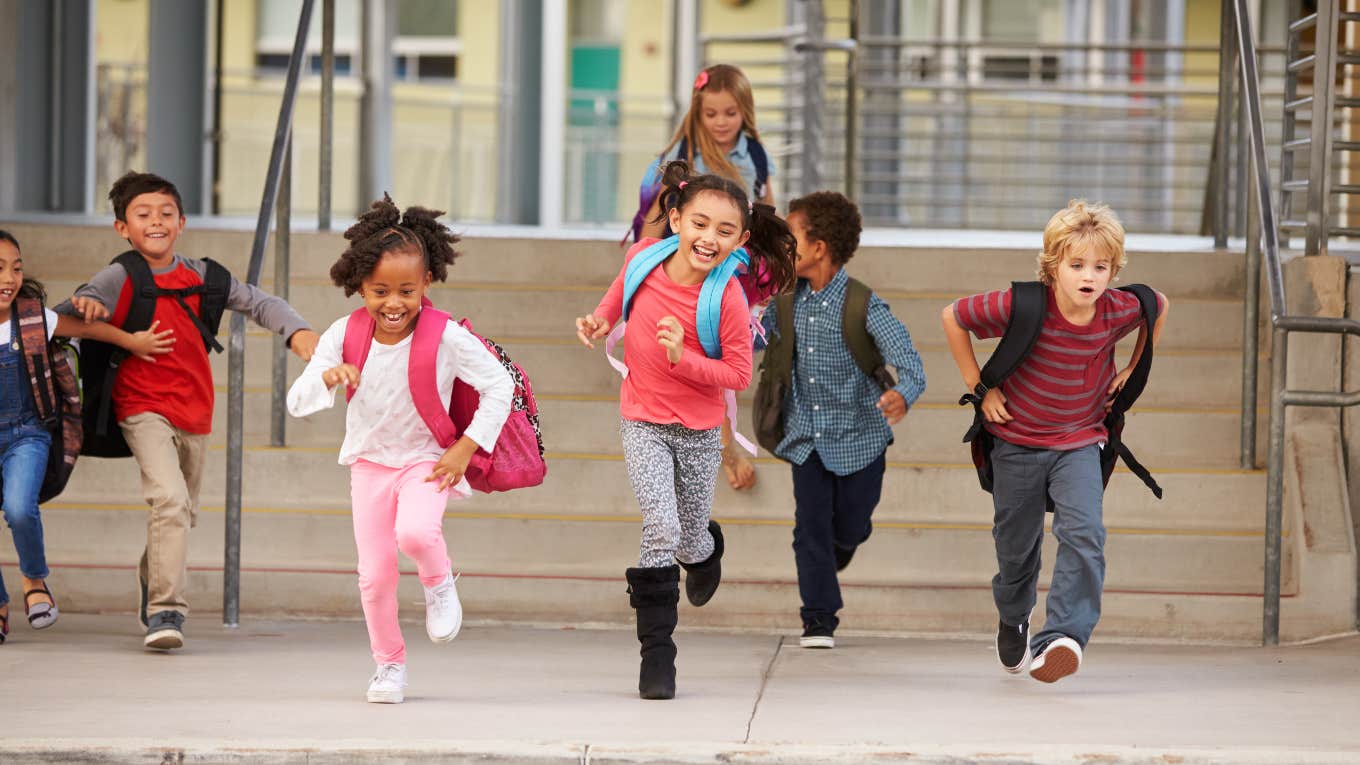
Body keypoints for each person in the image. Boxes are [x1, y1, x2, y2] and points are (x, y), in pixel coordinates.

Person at [54, 172, 319, 651]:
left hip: (195, 410)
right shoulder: (121, 276)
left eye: (165, 213)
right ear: (122, 228)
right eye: (143, 214)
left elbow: (259, 302)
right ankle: (164, 610)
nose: (155, 221)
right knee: (170, 503)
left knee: (181, 512)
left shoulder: (204, 277)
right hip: (141, 407)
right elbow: (67, 312)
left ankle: (150, 576)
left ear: (182, 222)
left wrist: (296, 333)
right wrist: (92, 305)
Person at [576, 160, 796, 700]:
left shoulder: (726, 299)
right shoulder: (641, 259)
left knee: (689, 535)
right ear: (675, 220)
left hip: (698, 431)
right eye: (699, 224)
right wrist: (600, 321)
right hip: (642, 421)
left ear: (741, 240)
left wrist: (684, 358)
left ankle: (704, 553)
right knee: (660, 525)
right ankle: (658, 657)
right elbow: (617, 296)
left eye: (724, 231)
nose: (708, 238)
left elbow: (738, 375)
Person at [287, 196, 514, 705]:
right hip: (369, 466)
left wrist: (464, 448)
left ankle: (438, 582)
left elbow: (501, 386)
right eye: (379, 291)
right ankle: (389, 665)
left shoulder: (447, 336)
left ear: (427, 282)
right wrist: (327, 376)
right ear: (359, 286)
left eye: (407, 291)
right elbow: (297, 402)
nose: (394, 303)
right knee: (374, 577)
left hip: (426, 460)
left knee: (415, 532)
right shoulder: (344, 333)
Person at [940, 199, 1168, 683]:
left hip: (1080, 442)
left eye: (1101, 267)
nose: (1089, 276)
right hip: (1017, 443)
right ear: (1053, 266)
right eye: (1077, 265)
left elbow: (1157, 305)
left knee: (1084, 535)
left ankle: (1062, 636)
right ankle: (1014, 614)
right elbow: (952, 318)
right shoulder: (1023, 303)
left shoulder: (1115, 309)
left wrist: (1132, 367)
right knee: (1016, 549)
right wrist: (980, 387)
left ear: (1113, 270)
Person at [761, 192, 926, 650]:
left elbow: (911, 365)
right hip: (805, 438)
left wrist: (901, 395)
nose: (783, 249)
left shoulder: (863, 305)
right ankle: (818, 618)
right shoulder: (785, 302)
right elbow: (752, 339)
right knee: (808, 527)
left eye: (790, 238)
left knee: (850, 528)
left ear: (819, 248)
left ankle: (844, 545)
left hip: (860, 440)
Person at [0, 229, 174, 644]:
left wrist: (133, 340)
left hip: (27, 431)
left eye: (16, 268)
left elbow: (90, 330)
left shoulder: (32, 317)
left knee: (19, 508)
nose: (9, 277)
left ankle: (34, 581)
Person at [633, 63, 777, 491]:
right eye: (710, 114)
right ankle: (723, 445)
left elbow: (767, 207)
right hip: (690, 273)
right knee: (701, 354)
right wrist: (638, 275)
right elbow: (656, 220)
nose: (720, 122)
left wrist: (776, 264)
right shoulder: (682, 158)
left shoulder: (754, 153)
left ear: (744, 112)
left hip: (737, 270)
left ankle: (716, 437)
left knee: (727, 358)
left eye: (729, 113)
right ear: (697, 113)